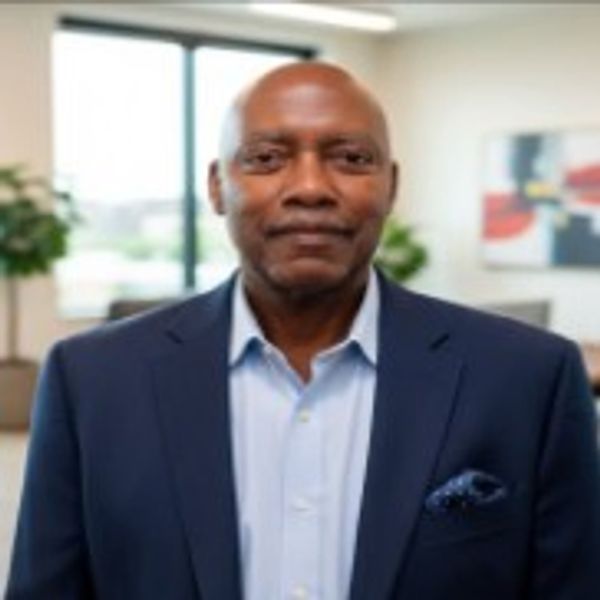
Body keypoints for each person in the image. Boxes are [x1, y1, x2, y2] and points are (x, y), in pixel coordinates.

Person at [6, 62, 600, 600]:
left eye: (351, 158)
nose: (311, 187)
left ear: (391, 186)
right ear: (217, 186)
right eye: (267, 158)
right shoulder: (92, 381)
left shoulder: (529, 378)